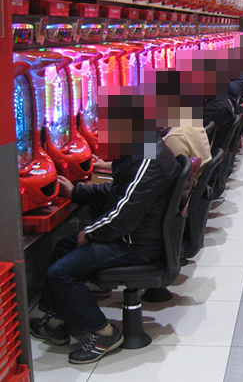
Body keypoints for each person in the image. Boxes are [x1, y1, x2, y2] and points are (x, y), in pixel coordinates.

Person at [30, 128, 179, 364]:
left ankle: (103, 333)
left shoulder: (148, 159)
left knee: (59, 273)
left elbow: (125, 215)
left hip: (135, 245)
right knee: (64, 246)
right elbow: (120, 191)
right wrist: (77, 192)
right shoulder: (145, 147)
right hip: (135, 235)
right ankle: (56, 321)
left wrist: (90, 233)